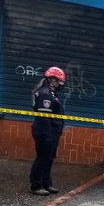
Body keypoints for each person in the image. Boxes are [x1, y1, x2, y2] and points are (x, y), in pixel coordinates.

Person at [29, 66, 66, 196]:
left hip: (52, 130)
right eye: (60, 81)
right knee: (42, 158)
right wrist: (47, 135)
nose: (61, 84)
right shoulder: (45, 93)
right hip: (45, 130)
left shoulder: (52, 93)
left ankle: (46, 183)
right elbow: (44, 117)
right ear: (52, 80)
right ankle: (36, 185)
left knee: (49, 158)